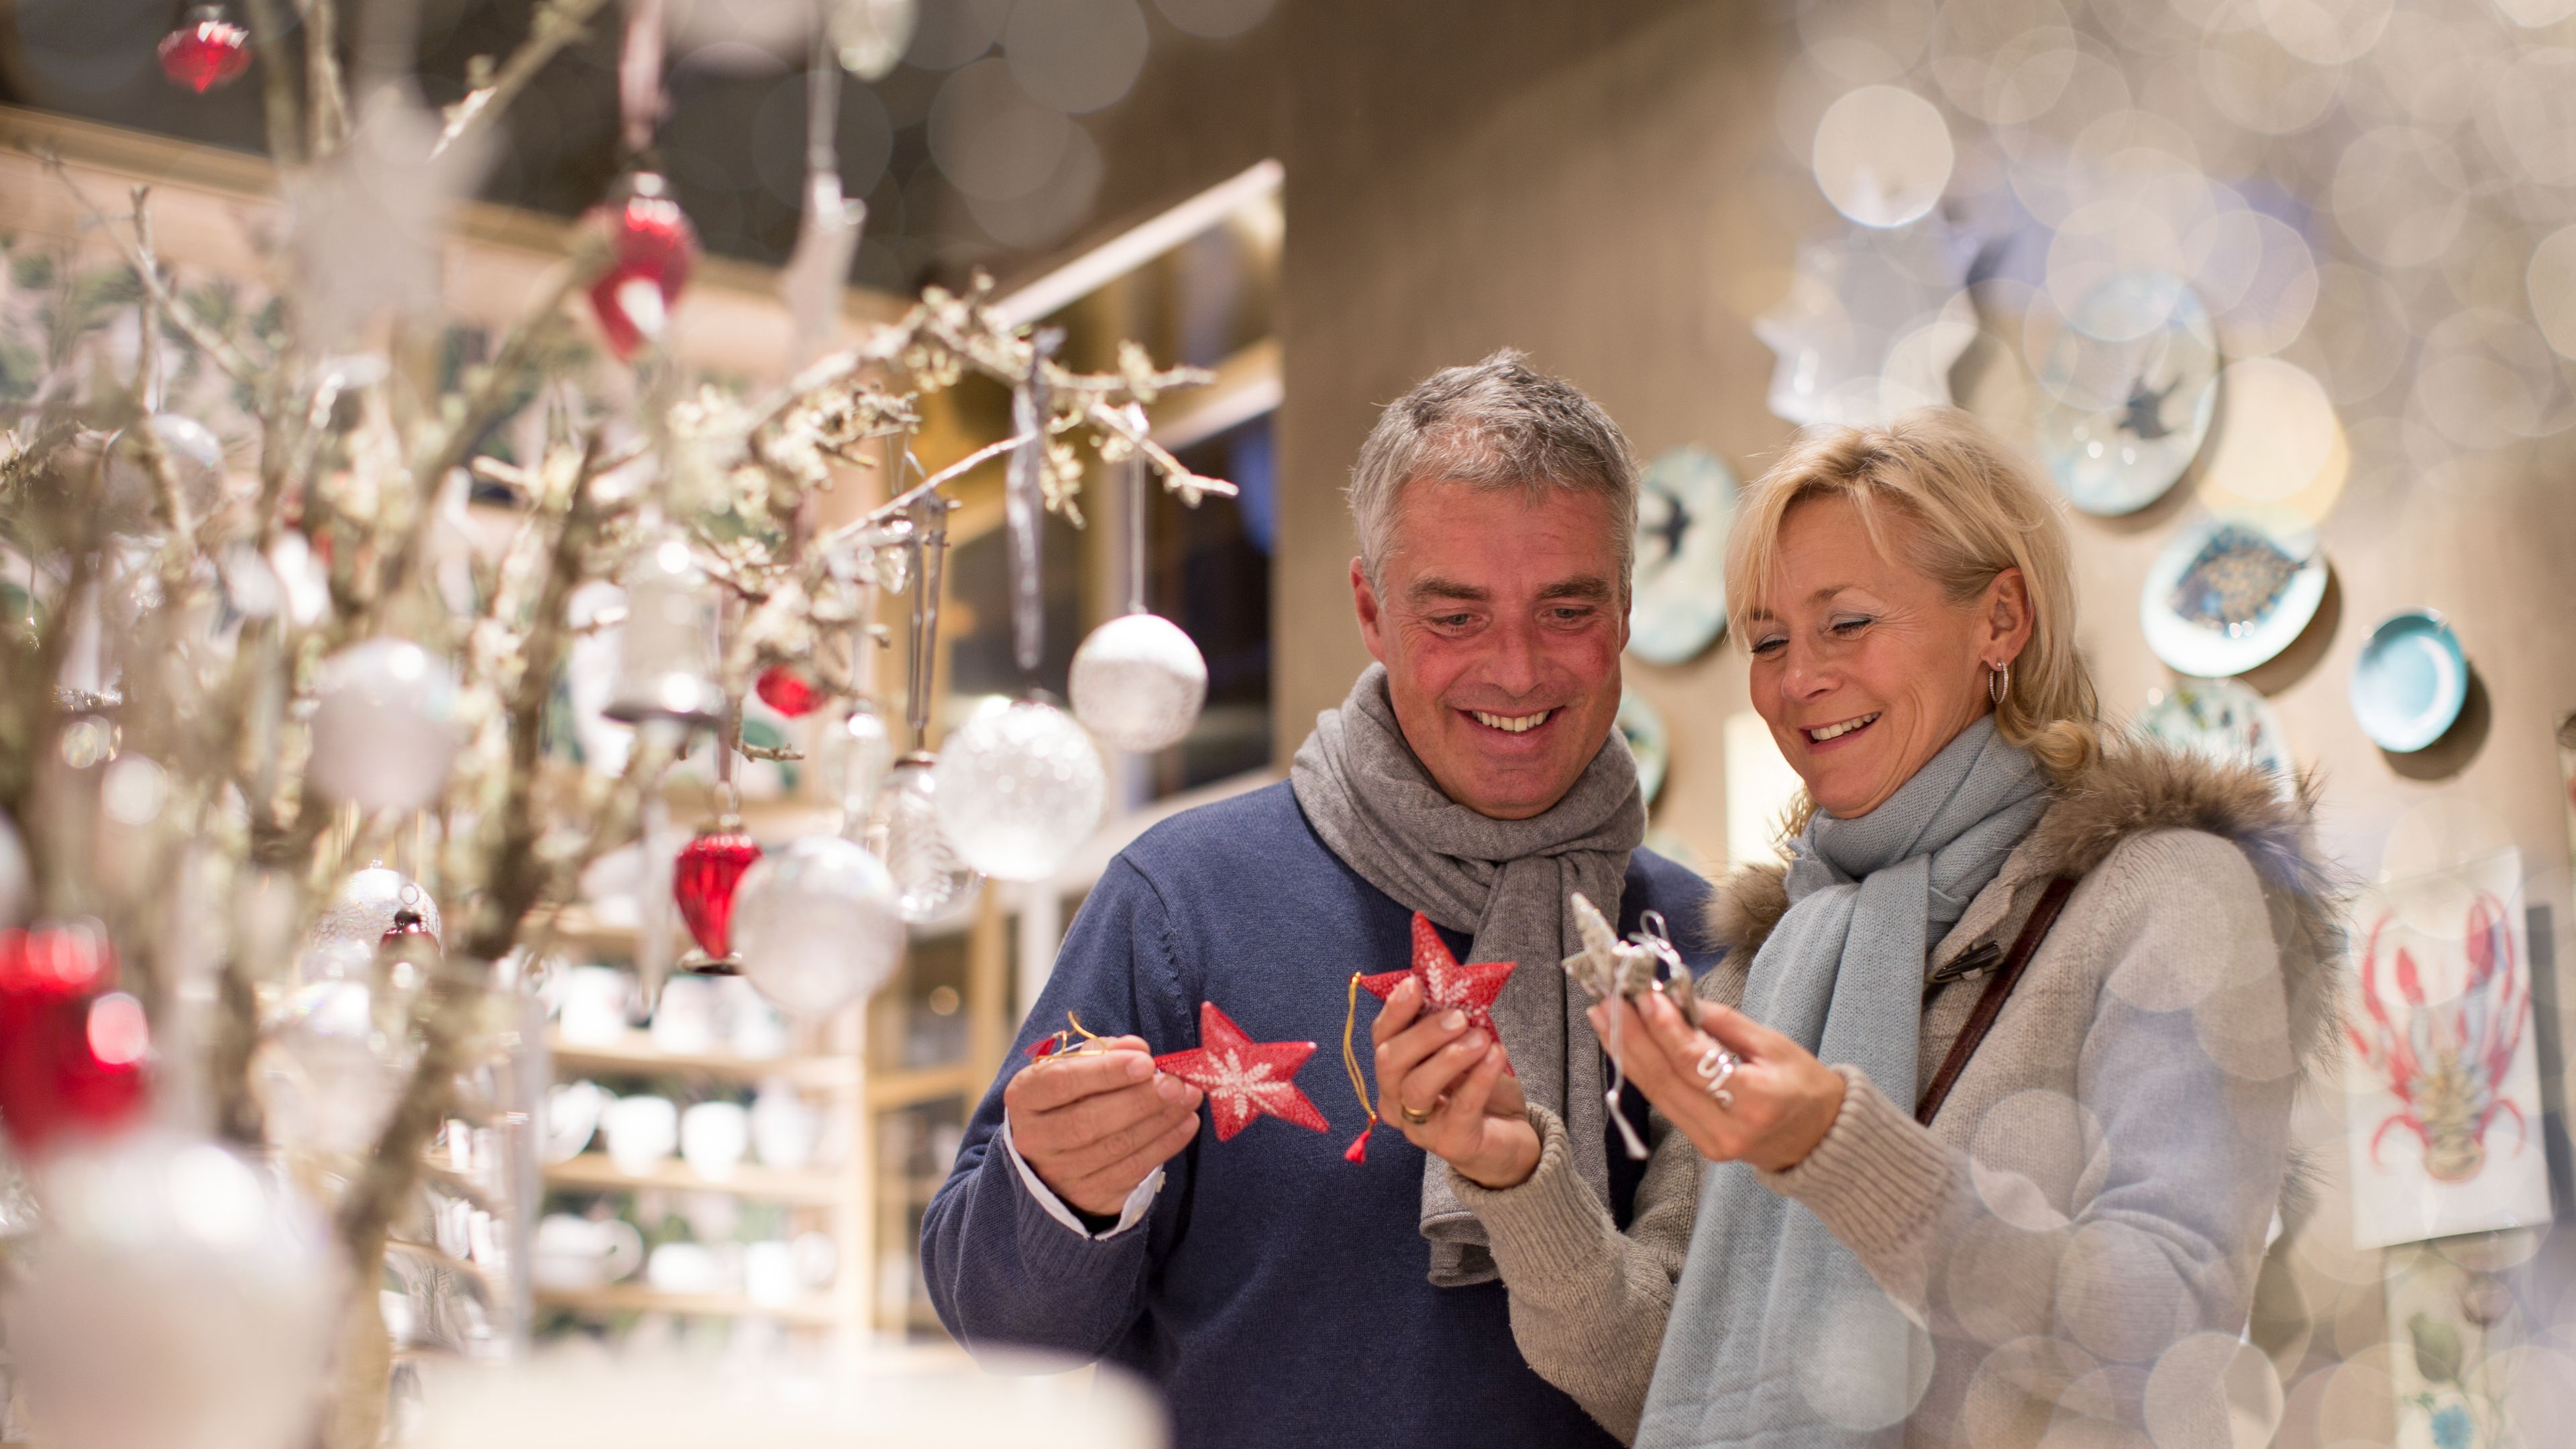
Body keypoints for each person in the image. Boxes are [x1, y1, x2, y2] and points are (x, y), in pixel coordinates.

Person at [1377, 409, 2341, 1446]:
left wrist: (1837, 1149)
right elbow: (1662, 1374)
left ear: (2000, 619)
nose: (1799, 681)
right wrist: (1518, 1176)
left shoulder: (2171, 896)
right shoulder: (1764, 967)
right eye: (1770, 642)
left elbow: (2166, 1331)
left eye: (1847, 625)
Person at [920, 351, 1719, 1449]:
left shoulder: (1703, 951)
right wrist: (1062, 1196)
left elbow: (1733, 1384)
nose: (1518, 669)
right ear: (1371, 611)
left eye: (1567, 609)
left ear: (1625, 609)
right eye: (1456, 617)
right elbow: (1006, 1327)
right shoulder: (1180, 901)